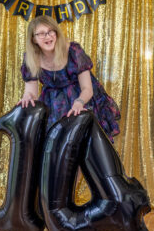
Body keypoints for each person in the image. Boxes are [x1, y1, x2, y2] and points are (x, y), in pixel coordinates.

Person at [18, 15, 120, 143]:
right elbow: (31, 92)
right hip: (53, 104)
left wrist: (79, 103)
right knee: (56, 146)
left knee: (85, 144)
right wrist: (27, 96)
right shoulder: (31, 58)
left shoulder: (73, 51)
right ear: (33, 39)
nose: (48, 37)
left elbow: (87, 88)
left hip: (82, 99)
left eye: (51, 32)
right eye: (42, 34)